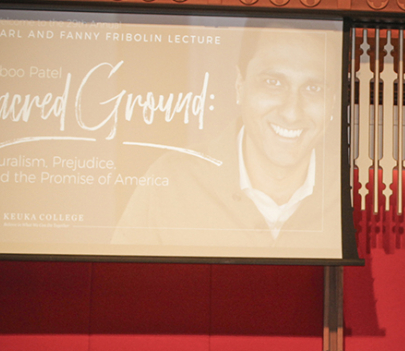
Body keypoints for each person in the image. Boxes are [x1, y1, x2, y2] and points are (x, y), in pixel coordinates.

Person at [112, 29, 338, 253]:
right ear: (240, 85)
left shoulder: (355, 193)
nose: (292, 113)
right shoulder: (169, 182)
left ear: (333, 101)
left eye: (313, 88)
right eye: (273, 82)